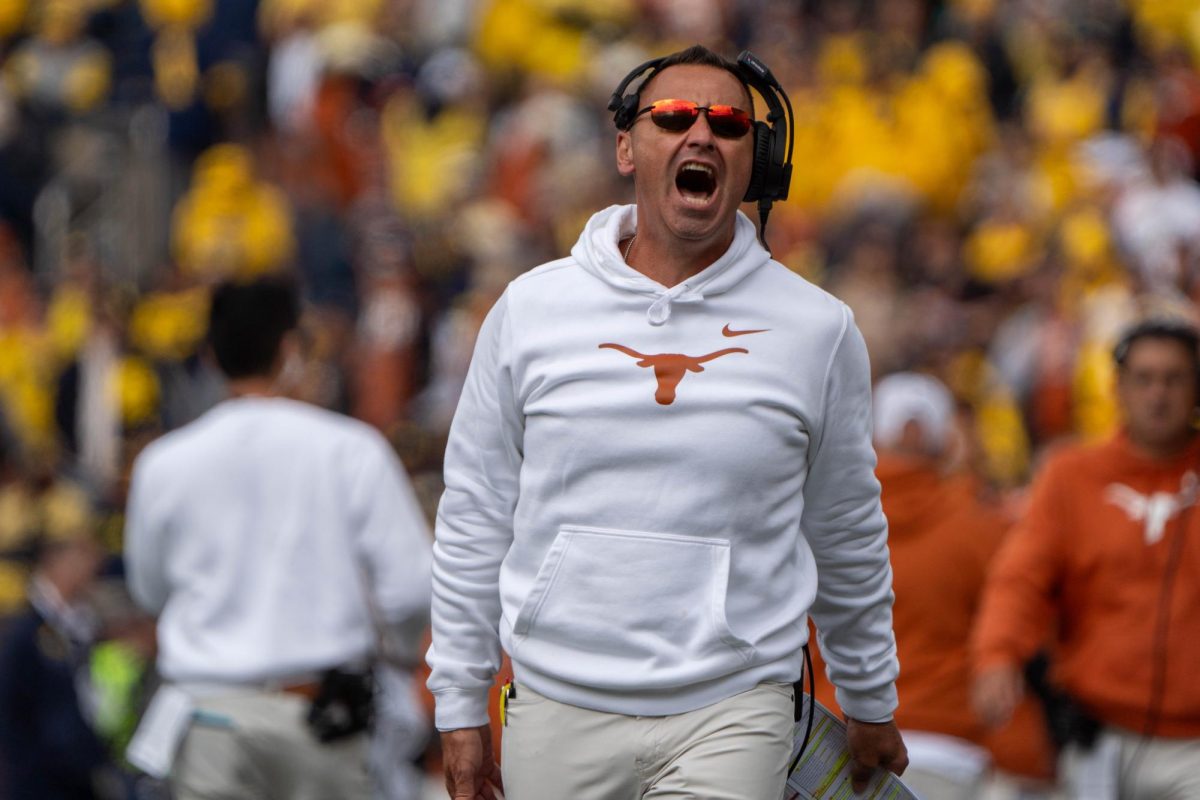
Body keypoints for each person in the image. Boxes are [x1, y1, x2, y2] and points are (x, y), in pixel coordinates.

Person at [427, 44, 907, 800]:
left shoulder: (819, 329)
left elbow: (846, 527)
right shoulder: (530, 309)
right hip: (557, 702)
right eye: (676, 117)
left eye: (727, 124)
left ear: (758, 160)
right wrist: (459, 701)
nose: (702, 136)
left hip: (735, 706)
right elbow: (474, 513)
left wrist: (871, 695)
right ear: (626, 146)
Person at [123, 276, 433, 800]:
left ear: (211, 356)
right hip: (319, 716)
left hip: (209, 716)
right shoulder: (350, 449)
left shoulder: (164, 461)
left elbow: (149, 590)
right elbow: (410, 587)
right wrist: (396, 654)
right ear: (291, 348)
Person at [972, 317, 1200, 799]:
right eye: (1144, 378)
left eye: (1174, 379)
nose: (1158, 395)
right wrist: (998, 653)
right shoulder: (1071, 476)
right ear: (1118, 388)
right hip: (1098, 734)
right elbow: (1021, 577)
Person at [808, 372, 1054, 799]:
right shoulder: (982, 525)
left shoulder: (817, 521)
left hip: (835, 741)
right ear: (945, 442)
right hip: (955, 746)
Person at [0, 519, 113, 799]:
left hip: (75, 776)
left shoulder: (81, 623)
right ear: (60, 559)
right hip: (37, 780)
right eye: (86, 554)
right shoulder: (23, 628)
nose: (95, 568)